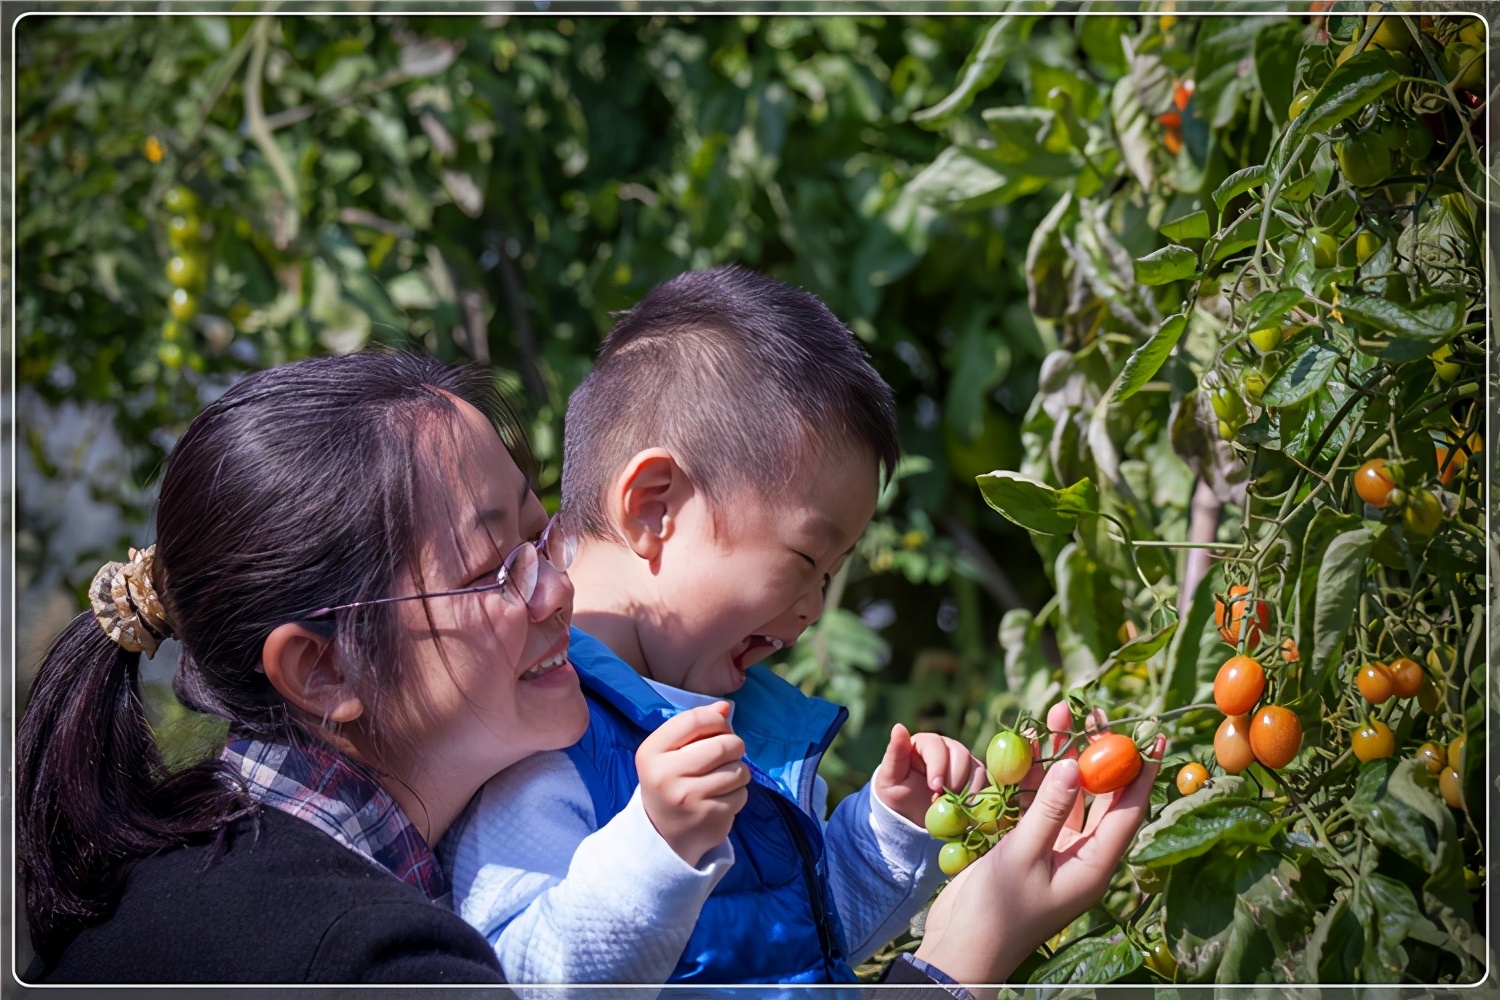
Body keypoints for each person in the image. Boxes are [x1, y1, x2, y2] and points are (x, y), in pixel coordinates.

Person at [16, 347, 1162, 995]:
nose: (556, 587)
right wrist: (961, 957)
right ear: (320, 671)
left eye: (538, 538)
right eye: (489, 567)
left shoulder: (188, 888)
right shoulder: (370, 965)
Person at [443, 267, 1162, 990]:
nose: (816, 607)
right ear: (654, 508)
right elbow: (517, 974)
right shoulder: (543, 735)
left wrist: (886, 833)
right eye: (807, 560)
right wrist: (654, 848)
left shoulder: (737, 718)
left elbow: (808, 941)